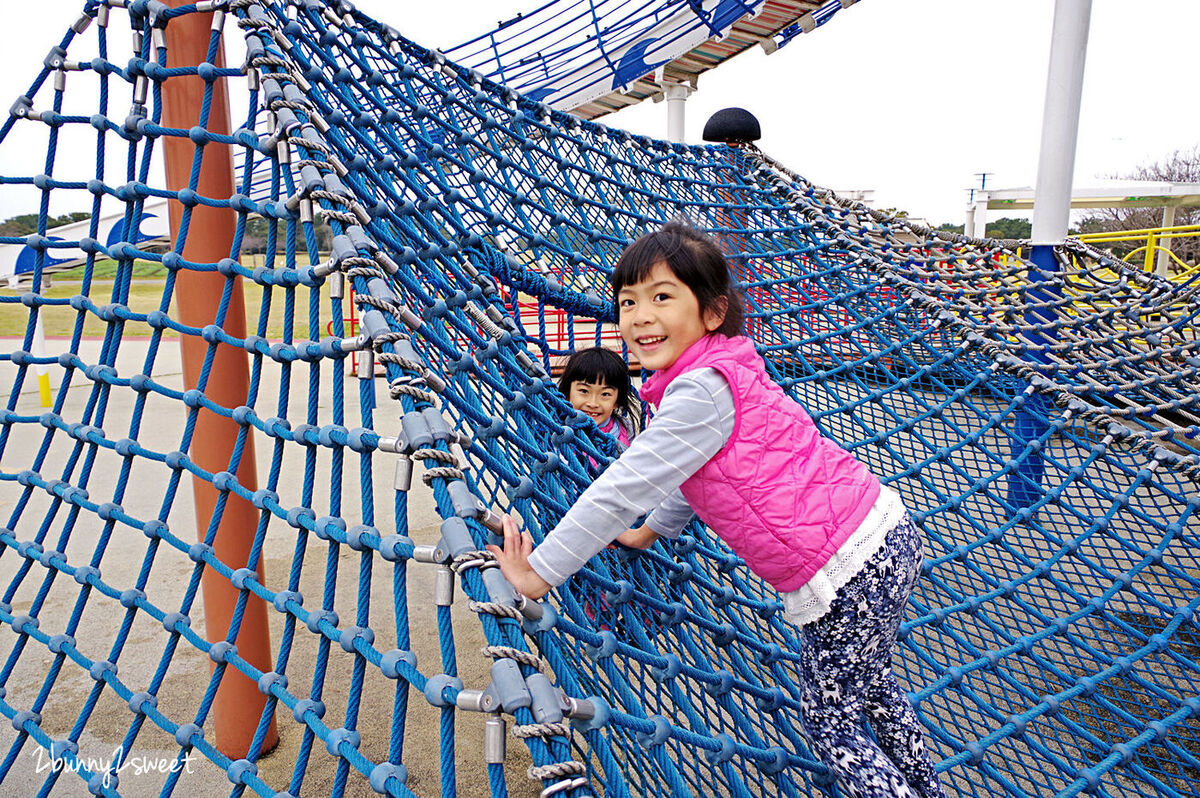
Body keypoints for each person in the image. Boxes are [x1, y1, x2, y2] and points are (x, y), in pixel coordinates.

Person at [488, 221, 946, 798]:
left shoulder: (699, 390)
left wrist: (539, 572)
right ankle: (924, 786)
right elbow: (688, 481)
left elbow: (620, 487)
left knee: (831, 720)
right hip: (881, 536)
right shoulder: (717, 373)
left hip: (847, 568)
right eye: (627, 301)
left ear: (711, 312)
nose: (638, 316)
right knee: (869, 684)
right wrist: (651, 533)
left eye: (662, 296)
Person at [557, 346, 639, 449]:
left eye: (605, 394)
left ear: (617, 401)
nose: (593, 403)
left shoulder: (625, 429)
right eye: (584, 391)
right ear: (567, 393)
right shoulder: (557, 429)